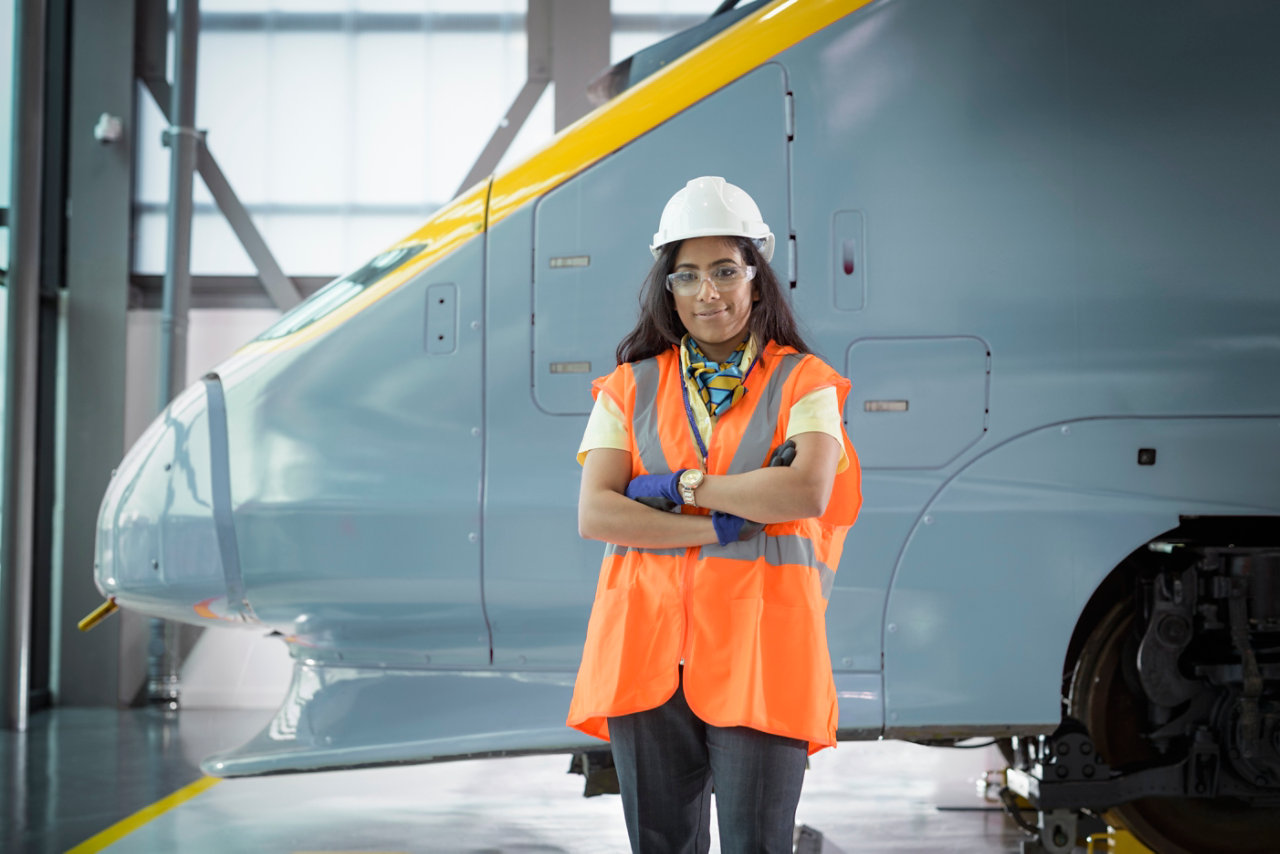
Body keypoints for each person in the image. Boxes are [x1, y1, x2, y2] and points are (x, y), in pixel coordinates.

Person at [566, 176, 862, 854]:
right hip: (645, 650)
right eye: (688, 275)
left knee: (758, 843)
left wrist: (679, 485)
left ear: (756, 277)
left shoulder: (805, 382)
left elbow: (804, 494)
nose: (709, 292)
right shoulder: (628, 386)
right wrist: (724, 518)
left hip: (762, 650)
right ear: (667, 288)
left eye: (725, 270)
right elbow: (596, 511)